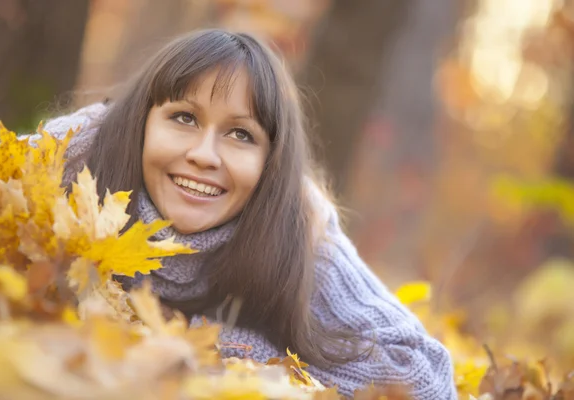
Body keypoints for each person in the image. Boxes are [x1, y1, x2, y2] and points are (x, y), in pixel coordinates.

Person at [35, 29, 457, 399]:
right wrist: (86, 135)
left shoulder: (299, 231)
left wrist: (214, 347)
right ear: (140, 124)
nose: (203, 155)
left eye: (241, 134)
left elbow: (428, 380)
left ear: (270, 164)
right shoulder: (89, 158)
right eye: (183, 117)